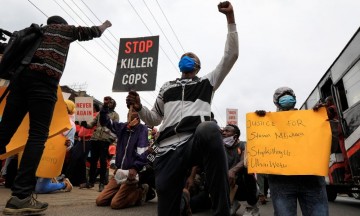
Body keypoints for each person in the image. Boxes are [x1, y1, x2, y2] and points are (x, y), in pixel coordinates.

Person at [126, 2, 238, 215]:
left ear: (198, 66)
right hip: (166, 149)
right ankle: (182, 203)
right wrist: (139, 108)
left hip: (193, 142)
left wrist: (230, 18)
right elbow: (154, 119)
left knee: (209, 128)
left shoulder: (207, 83)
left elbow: (231, 55)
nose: (187, 57)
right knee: (167, 207)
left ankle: (222, 209)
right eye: (184, 56)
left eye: (192, 57)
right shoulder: (167, 87)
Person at [0, 15, 112, 215]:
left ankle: (20, 195)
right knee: (37, 135)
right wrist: (105, 25)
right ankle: (20, 197)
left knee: (4, 132)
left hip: (19, 82)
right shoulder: (63, 30)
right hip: (43, 84)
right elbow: (91, 32)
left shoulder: (37, 32)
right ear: (61, 24)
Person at [255, 87, 329, 216]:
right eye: (282, 95)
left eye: (289, 95)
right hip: (281, 183)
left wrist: (326, 122)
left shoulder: (313, 119)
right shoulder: (266, 123)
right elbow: (262, 151)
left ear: (294, 99)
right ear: (276, 101)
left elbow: (330, 147)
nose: (286, 97)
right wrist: (259, 123)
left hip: (312, 180)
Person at [95, 98, 149, 209]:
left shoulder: (142, 129)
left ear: (138, 114)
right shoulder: (122, 127)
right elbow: (105, 121)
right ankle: (121, 193)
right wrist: (105, 107)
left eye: (134, 110)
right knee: (100, 201)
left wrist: (134, 168)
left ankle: (140, 192)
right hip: (119, 172)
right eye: (129, 110)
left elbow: (143, 152)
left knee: (115, 204)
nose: (131, 112)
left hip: (131, 174)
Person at [81, 96, 119, 192]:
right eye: (108, 102)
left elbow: (115, 127)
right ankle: (90, 182)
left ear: (114, 105)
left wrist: (111, 139)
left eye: (111, 102)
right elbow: (92, 124)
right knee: (93, 161)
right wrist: (85, 124)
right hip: (95, 139)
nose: (109, 104)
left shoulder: (115, 115)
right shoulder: (99, 113)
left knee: (103, 162)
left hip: (105, 141)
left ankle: (102, 183)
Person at [222, 124, 260, 216]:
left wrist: (233, 171)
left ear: (235, 136)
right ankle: (233, 202)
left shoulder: (244, 145)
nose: (223, 133)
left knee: (246, 171)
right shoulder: (221, 147)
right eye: (223, 130)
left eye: (227, 131)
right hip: (229, 182)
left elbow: (244, 161)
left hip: (242, 181)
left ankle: (252, 207)